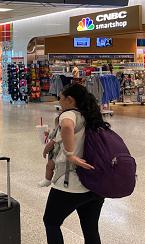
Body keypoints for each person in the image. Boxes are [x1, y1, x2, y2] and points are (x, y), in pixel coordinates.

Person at [43, 83, 109, 244]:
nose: (59, 101)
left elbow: (66, 125)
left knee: (51, 222)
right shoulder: (92, 115)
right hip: (96, 184)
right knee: (91, 230)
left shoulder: (68, 114)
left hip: (71, 183)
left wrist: (70, 155)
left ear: (70, 99)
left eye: (60, 98)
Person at [38, 115, 61, 188]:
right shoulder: (58, 133)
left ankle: (47, 180)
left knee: (49, 166)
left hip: (58, 155)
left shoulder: (58, 134)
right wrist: (48, 134)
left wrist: (45, 151)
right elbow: (52, 135)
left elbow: (50, 145)